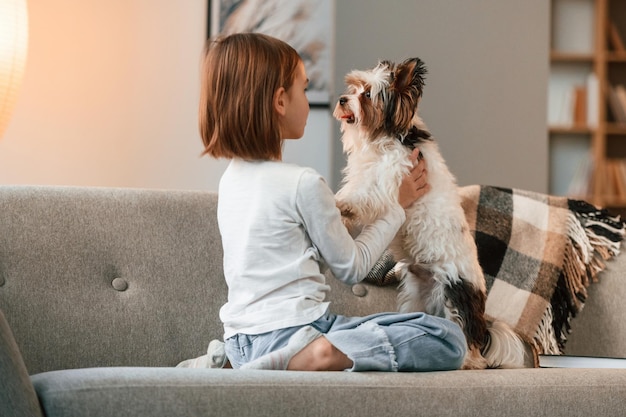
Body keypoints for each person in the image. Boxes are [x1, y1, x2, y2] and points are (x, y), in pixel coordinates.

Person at [197, 32, 466, 372]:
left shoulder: (231, 181)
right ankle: (318, 355)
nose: (309, 100)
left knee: (400, 327)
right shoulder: (303, 184)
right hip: (298, 333)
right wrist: (396, 206)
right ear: (281, 101)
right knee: (449, 338)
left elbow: (299, 260)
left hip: (240, 337)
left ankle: (235, 360)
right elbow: (352, 268)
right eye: (304, 89)